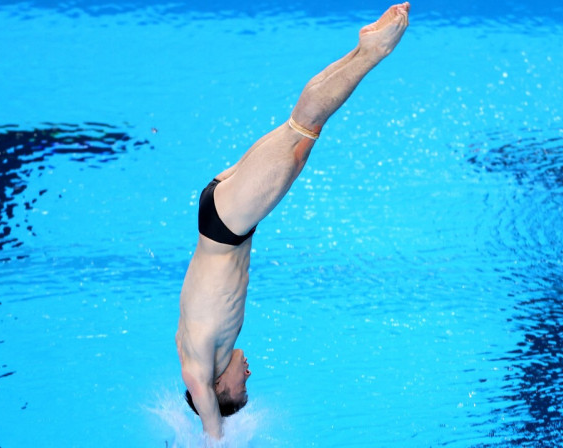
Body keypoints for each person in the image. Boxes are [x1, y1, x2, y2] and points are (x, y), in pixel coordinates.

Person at [176, 2, 410, 439]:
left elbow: (209, 421)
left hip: (227, 225)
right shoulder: (204, 351)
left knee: (304, 127)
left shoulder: (198, 363)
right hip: (225, 220)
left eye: (242, 387)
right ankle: (363, 50)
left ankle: (372, 51)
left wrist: (215, 431)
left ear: (217, 388)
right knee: (299, 136)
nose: (249, 374)